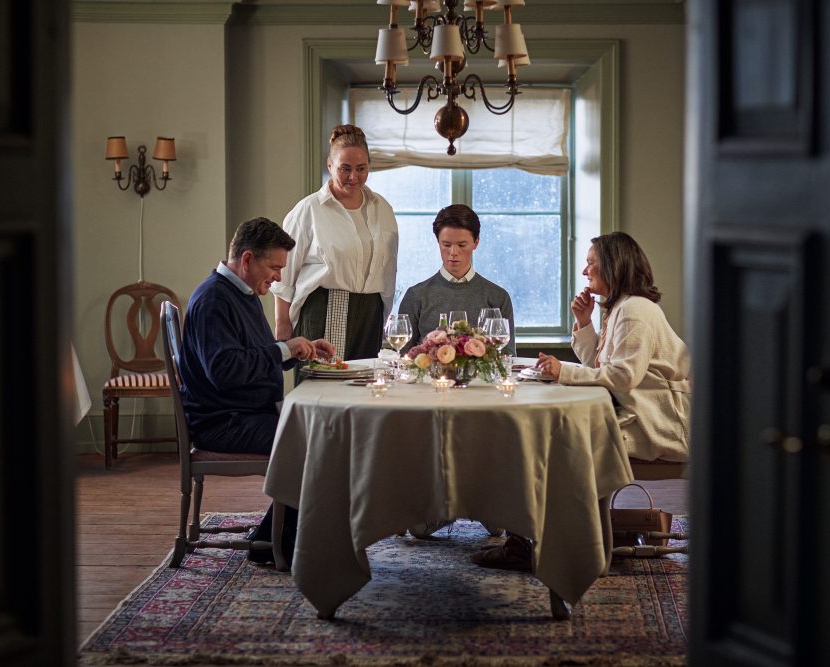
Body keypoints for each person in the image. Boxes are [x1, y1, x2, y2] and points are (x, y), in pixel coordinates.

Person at [473, 231, 691, 570]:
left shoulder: (635, 310)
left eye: (591, 264)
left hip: (659, 424)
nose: (585, 271)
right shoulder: (622, 307)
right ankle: (542, 539)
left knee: (551, 443)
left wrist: (563, 371)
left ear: (614, 266)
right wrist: (584, 322)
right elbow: (601, 368)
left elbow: (623, 377)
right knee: (545, 436)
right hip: (640, 414)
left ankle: (553, 544)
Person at [180, 217, 336, 565]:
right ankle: (279, 544)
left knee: (322, 431)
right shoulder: (214, 300)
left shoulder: (241, 293)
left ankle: (278, 537)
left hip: (245, 414)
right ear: (248, 259)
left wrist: (299, 349)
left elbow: (255, 357)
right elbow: (225, 372)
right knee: (315, 441)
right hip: (223, 422)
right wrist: (283, 349)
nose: (278, 277)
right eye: (274, 267)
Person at [271, 124, 398, 362]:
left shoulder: (383, 209)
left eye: (361, 168)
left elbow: (389, 269)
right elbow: (283, 275)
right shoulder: (309, 210)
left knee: (366, 383)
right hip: (325, 307)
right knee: (325, 381)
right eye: (345, 169)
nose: (353, 177)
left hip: (371, 312)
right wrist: (283, 324)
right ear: (330, 165)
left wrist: (384, 317)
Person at [397, 204, 516, 355]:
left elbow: (507, 357)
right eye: (446, 244)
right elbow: (405, 358)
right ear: (438, 242)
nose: (453, 252)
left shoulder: (498, 297)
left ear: (476, 242)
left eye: (461, 245)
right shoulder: (416, 295)